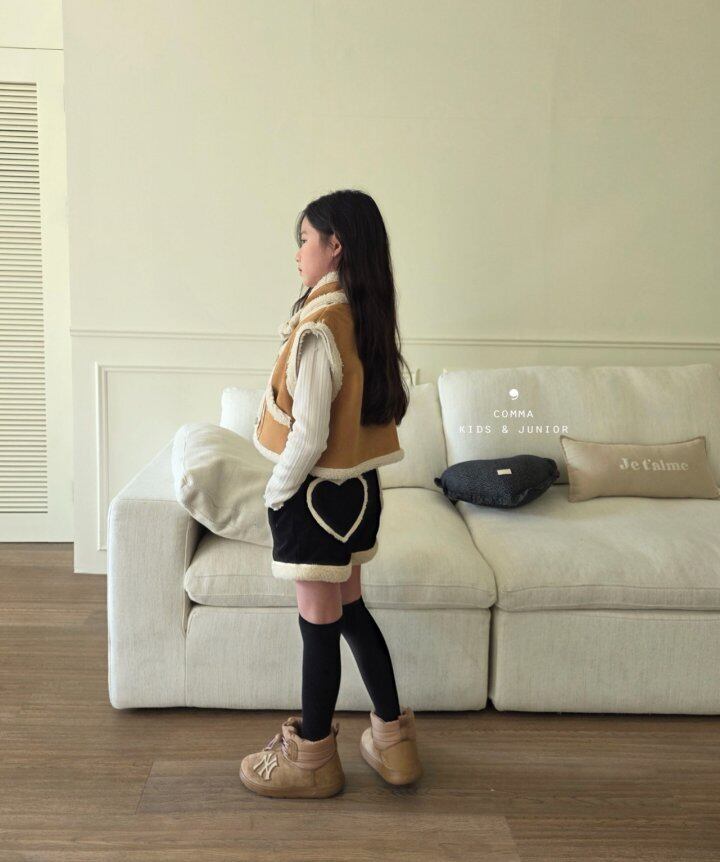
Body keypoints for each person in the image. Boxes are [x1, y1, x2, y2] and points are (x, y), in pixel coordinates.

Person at [239, 189, 423, 798]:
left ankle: (313, 758)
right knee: (350, 609)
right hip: (359, 493)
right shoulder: (366, 315)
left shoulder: (321, 326)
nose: (298, 254)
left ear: (334, 245)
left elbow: (310, 433)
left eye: (304, 240)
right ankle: (394, 743)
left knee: (318, 624)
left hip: (316, 497)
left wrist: (275, 493)